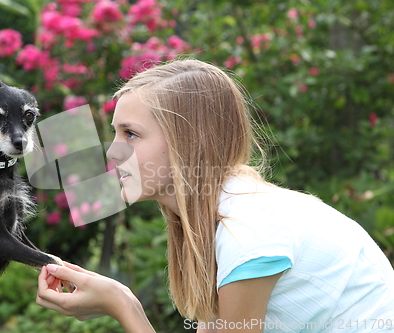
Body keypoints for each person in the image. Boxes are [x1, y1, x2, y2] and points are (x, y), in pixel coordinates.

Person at [36, 59, 394, 332]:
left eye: (130, 134)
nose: (113, 152)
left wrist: (122, 304)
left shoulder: (247, 231)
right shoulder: (221, 217)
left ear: (187, 142)